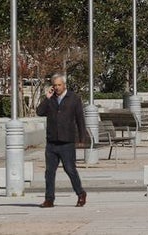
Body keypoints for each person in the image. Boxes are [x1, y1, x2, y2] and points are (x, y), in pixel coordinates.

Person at [35, 73, 88, 208]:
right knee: (49, 172)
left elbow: (80, 119)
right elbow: (39, 112)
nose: (57, 88)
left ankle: (81, 193)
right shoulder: (50, 99)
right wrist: (46, 98)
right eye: (55, 85)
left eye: (59, 85)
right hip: (52, 141)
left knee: (70, 169)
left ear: (64, 85)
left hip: (67, 141)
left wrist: (82, 138)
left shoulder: (74, 99)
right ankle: (49, 199)